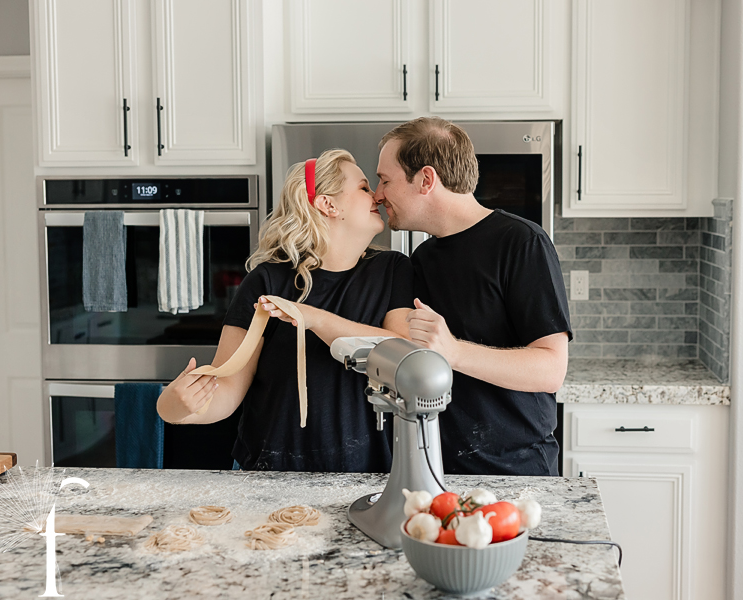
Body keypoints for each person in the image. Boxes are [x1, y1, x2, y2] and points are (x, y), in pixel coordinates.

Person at [157, 149, 414, 473]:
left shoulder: (393, 270)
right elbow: (227, 389)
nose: (377, 195)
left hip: (367, 474)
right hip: (269, 473)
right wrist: (174, 407)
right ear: (328, 204)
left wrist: (315, 318)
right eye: (364, 188)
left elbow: (406, 354)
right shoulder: (266, 279)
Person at [373, 117, 572, 476]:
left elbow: (551, 369)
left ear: (426, 180)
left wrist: (455, 351)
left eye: (385, 180)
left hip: (515, 471)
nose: (377, 193)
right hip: (437, 467)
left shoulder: (522, 243)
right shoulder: (423, 258)